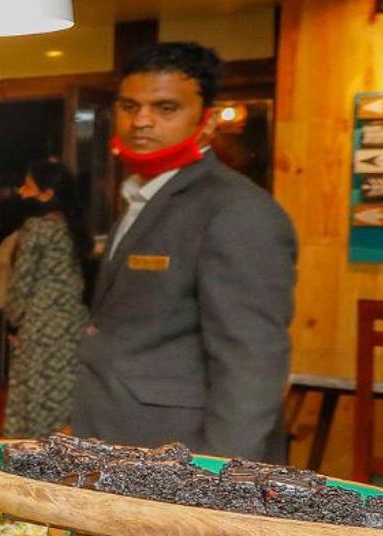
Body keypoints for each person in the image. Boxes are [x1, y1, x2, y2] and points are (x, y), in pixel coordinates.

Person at [74, 41, 296, 460]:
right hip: (122, 437)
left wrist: (220, 477)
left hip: (184, 454)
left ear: (206, 121)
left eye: (166, 108)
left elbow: (251, 361)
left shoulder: (236, 210)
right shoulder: (143, 196)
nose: (142, 121)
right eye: (129, 106)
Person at [3, 160, 89, 438]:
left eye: (28, 186)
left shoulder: (37, 228)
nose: (21, 191)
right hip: (72, 323)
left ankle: (29, 453)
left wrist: (13, 321)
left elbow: (22, 279)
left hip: (40, 324)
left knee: (33, 395)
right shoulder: (74, 228)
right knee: (63, 395)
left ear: (47, 194)